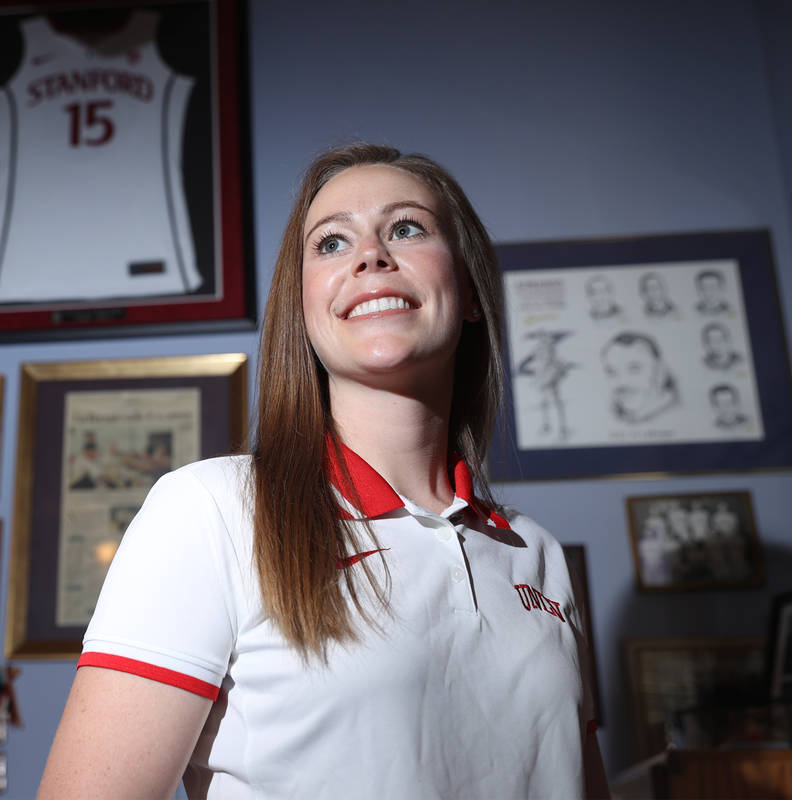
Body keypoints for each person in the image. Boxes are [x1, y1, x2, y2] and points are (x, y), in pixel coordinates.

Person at [39, 143, 608, 798]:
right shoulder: (209, 510)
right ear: (305, 309)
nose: (371, 254)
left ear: (471, 292)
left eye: (406, 228)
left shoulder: (537, 555)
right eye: (332, 243)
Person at [600, 331, 679, 423]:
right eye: (611, 372)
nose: (622, 382)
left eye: (634, 369)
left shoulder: (679, 414)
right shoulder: (615, 417)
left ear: (660, 371)